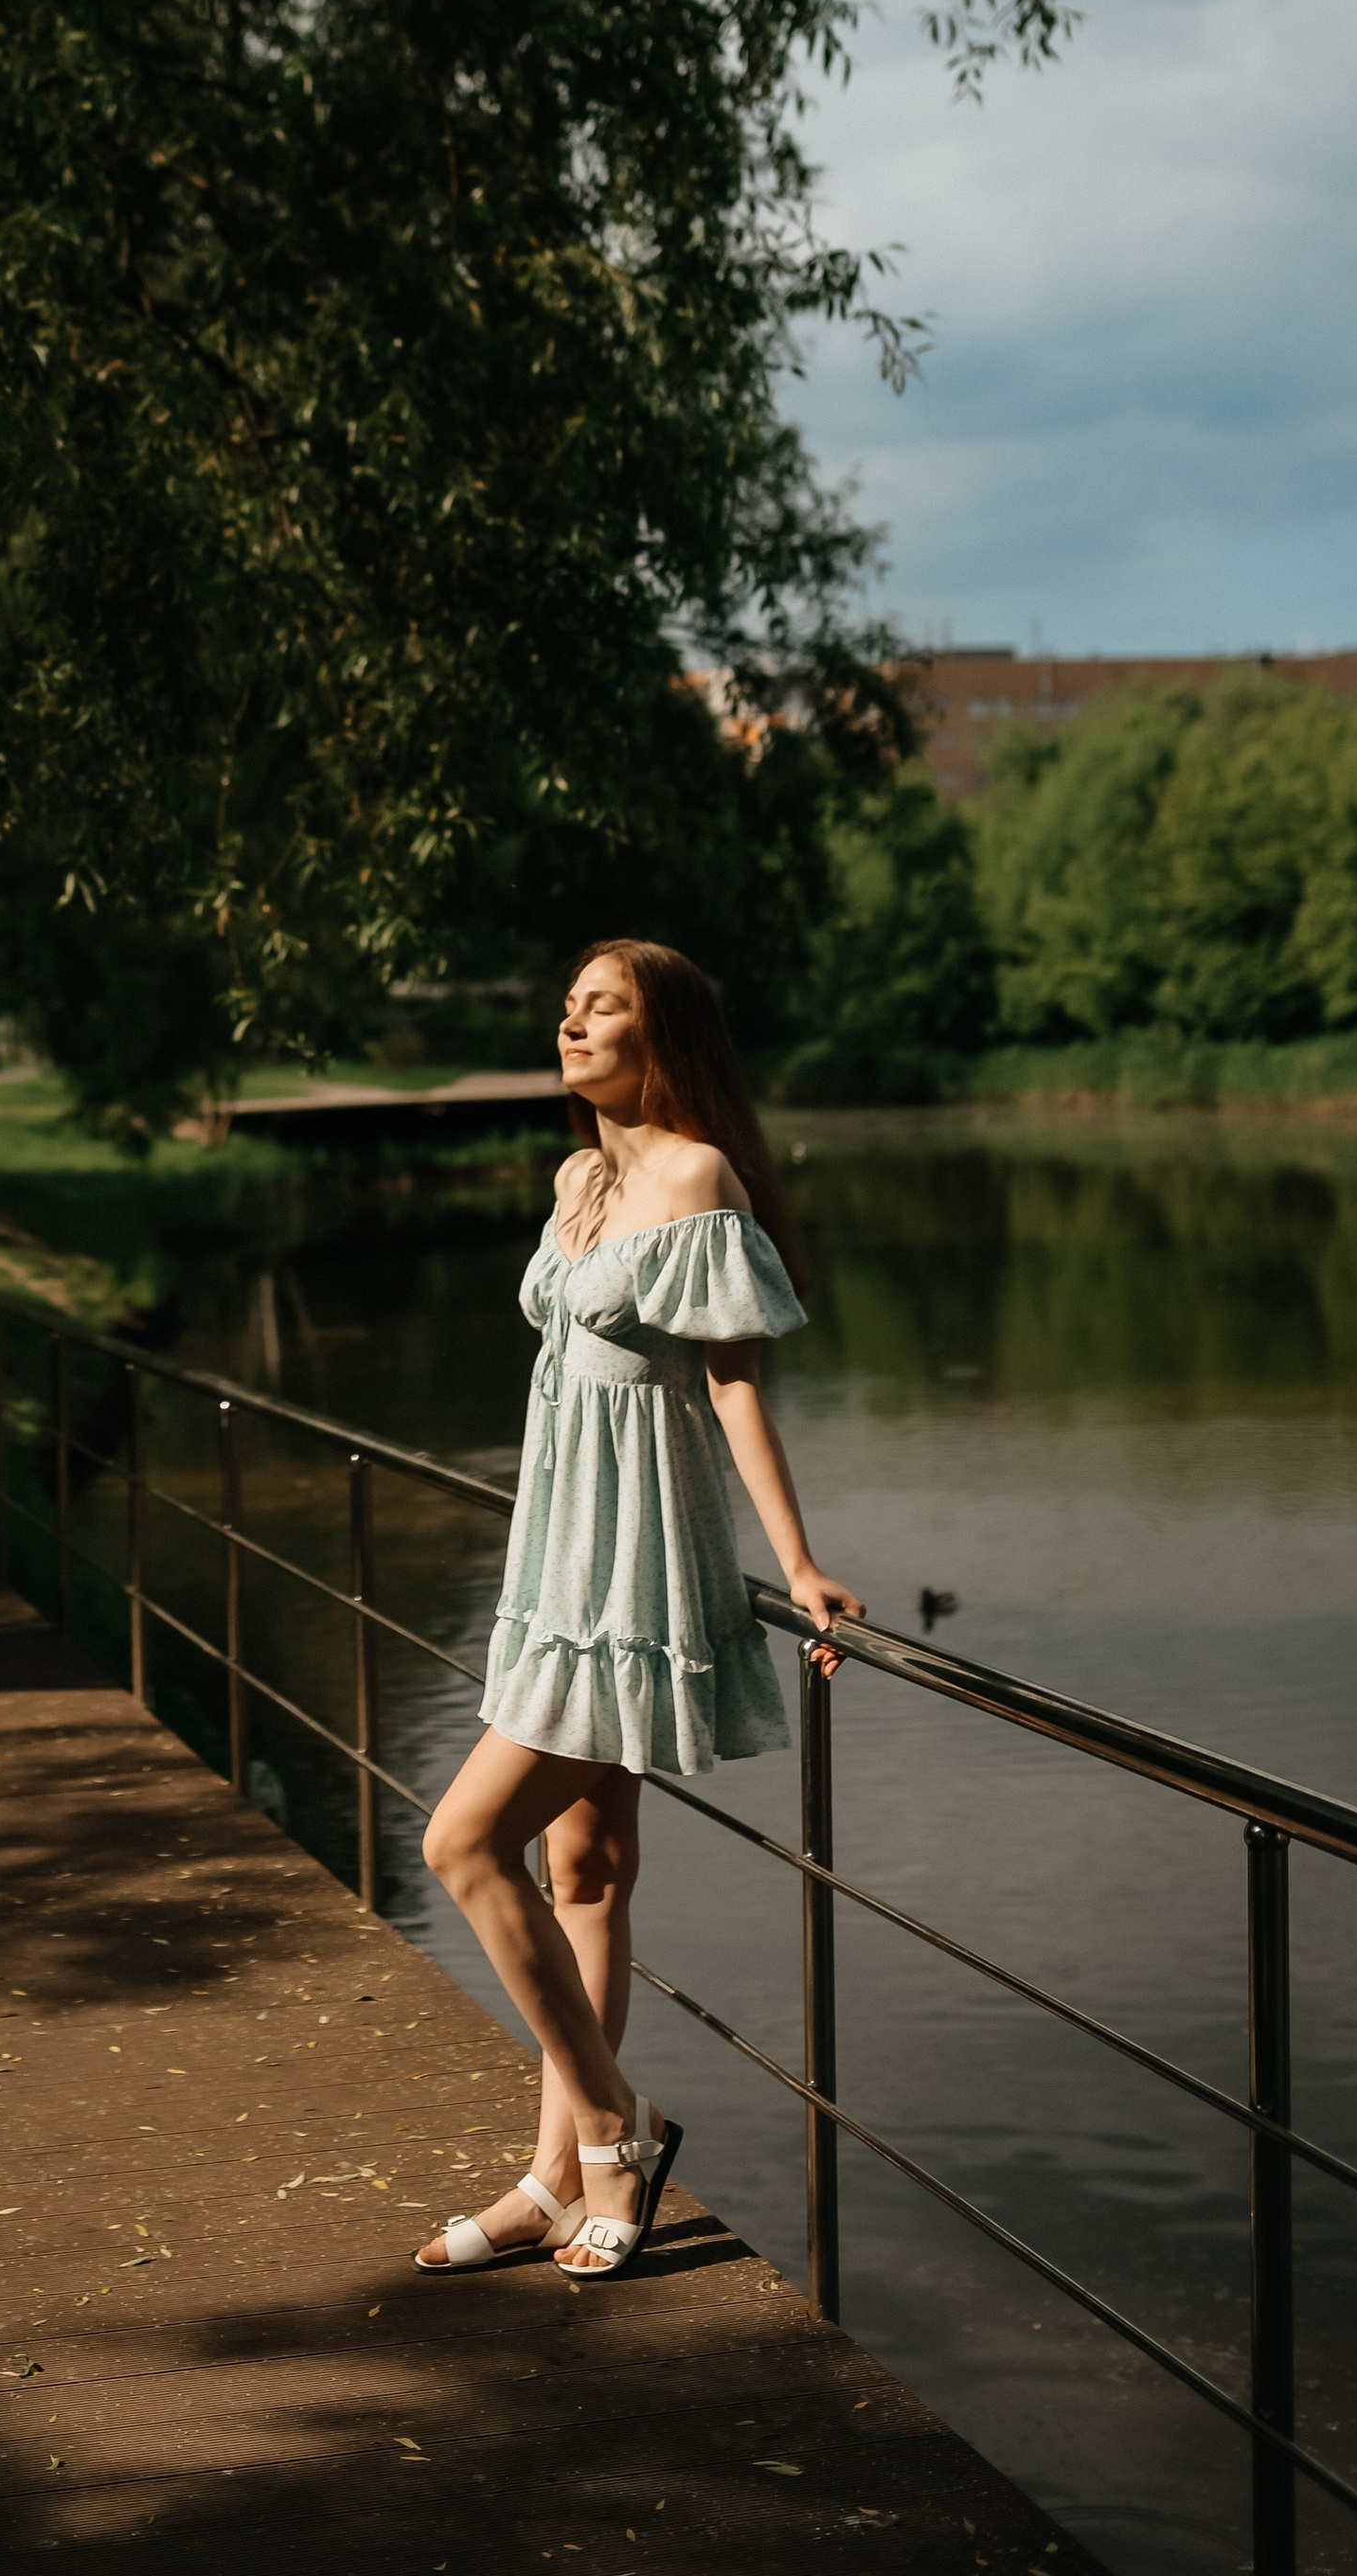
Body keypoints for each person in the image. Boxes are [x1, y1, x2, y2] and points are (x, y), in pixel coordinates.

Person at [413, 938, 862, 2281]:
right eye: (566, 1004)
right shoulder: (578, 1176)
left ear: (659, 1031)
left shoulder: (693, 1177)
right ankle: (555, 2178)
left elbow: (730, 1386)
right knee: (583, 1870)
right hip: (558, 1560)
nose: (571, 1021)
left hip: (638, 1567)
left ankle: (612, 2125)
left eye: (600, 1005)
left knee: (460, 1842)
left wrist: (797, 1564)